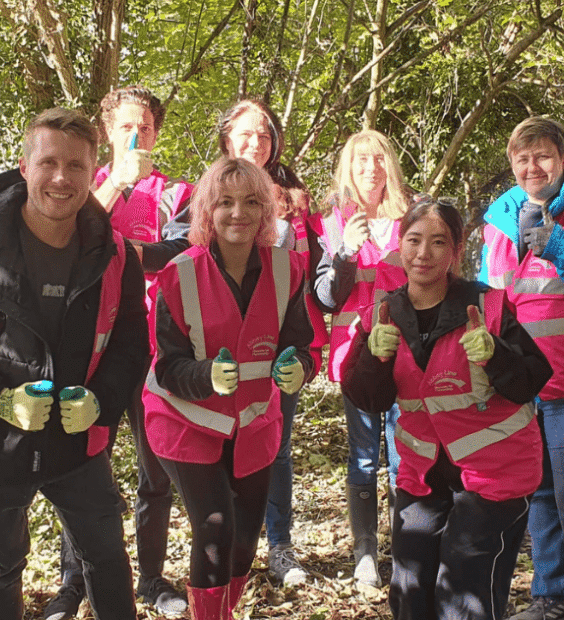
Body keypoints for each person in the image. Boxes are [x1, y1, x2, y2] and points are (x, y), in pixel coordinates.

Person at [0, 107, 150, 620]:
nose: (61, 179)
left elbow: (132, 344)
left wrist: (101, 403)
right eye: (49, 163)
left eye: (76, 166)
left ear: (94, 172)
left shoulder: (117, 254)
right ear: (23, 165)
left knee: (106, 558)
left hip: (78, 442)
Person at [341, 196, 552, 620]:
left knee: (463, 586)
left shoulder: (487, 307)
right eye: (414, 240)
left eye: (438, 243)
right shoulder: (382, 313)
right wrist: (372, 359)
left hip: (496, 471)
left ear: (456, 251)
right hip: (423, 473)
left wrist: (496, 355)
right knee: (410, 586)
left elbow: (533, 378)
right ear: (399, 245)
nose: (424, 254)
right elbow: (367, 398)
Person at [142, 157, 314, 619]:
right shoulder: (177, 274)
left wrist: (302, 368)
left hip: (254, 423)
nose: (238, 213)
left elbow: (302, 345)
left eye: (251, 202)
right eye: (225, 202)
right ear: (206, 211)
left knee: (244, 538)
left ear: (266, 212)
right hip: (185, 420)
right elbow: (168, 366)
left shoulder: (288, 268)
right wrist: (207, 377)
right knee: (215, 527)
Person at [45, 85, 192, 620]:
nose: (136, 135)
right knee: (84, 467)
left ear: (157, 132)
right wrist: (117, 188)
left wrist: (129, 251)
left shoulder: (178, 190)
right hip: (94, 350)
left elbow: (183, 248)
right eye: (126, 126)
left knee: (156, 472)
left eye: (146, 127)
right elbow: (66, 234)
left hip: (159, 350)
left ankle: (152, 578)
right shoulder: (83, 184)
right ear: (107, 131)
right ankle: (73, 583)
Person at [479, 116, 564, 620]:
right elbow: (489, 301)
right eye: (522, 158)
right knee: (540, 496)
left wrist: (556, 244)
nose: (532, 166)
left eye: (542, 156)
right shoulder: (498, 219)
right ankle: (551, 597)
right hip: (520, 385)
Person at [217, 98, 328, 586]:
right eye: (245, 134)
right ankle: (227, 547)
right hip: (221, 342)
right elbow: (184, 250)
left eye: (264, 135)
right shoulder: (208, 191)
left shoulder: (297, 199)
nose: (255, 143)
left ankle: (280, 547)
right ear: (226, 140)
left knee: (277, 446)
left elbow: (319, 269)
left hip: (282, 340)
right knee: (221, 443)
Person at [307, 129, 409, 589]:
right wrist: (345, 250)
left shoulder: (414, 216)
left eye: (378, 159)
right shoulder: (330, 223)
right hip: (359, 353)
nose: (371, 169)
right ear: (348, 169)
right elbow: (327, 297)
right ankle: (365, 553)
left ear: (391, 165)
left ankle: (408, 548)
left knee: (407, 456)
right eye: (361, 161)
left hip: (410, 351)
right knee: (365, 459)